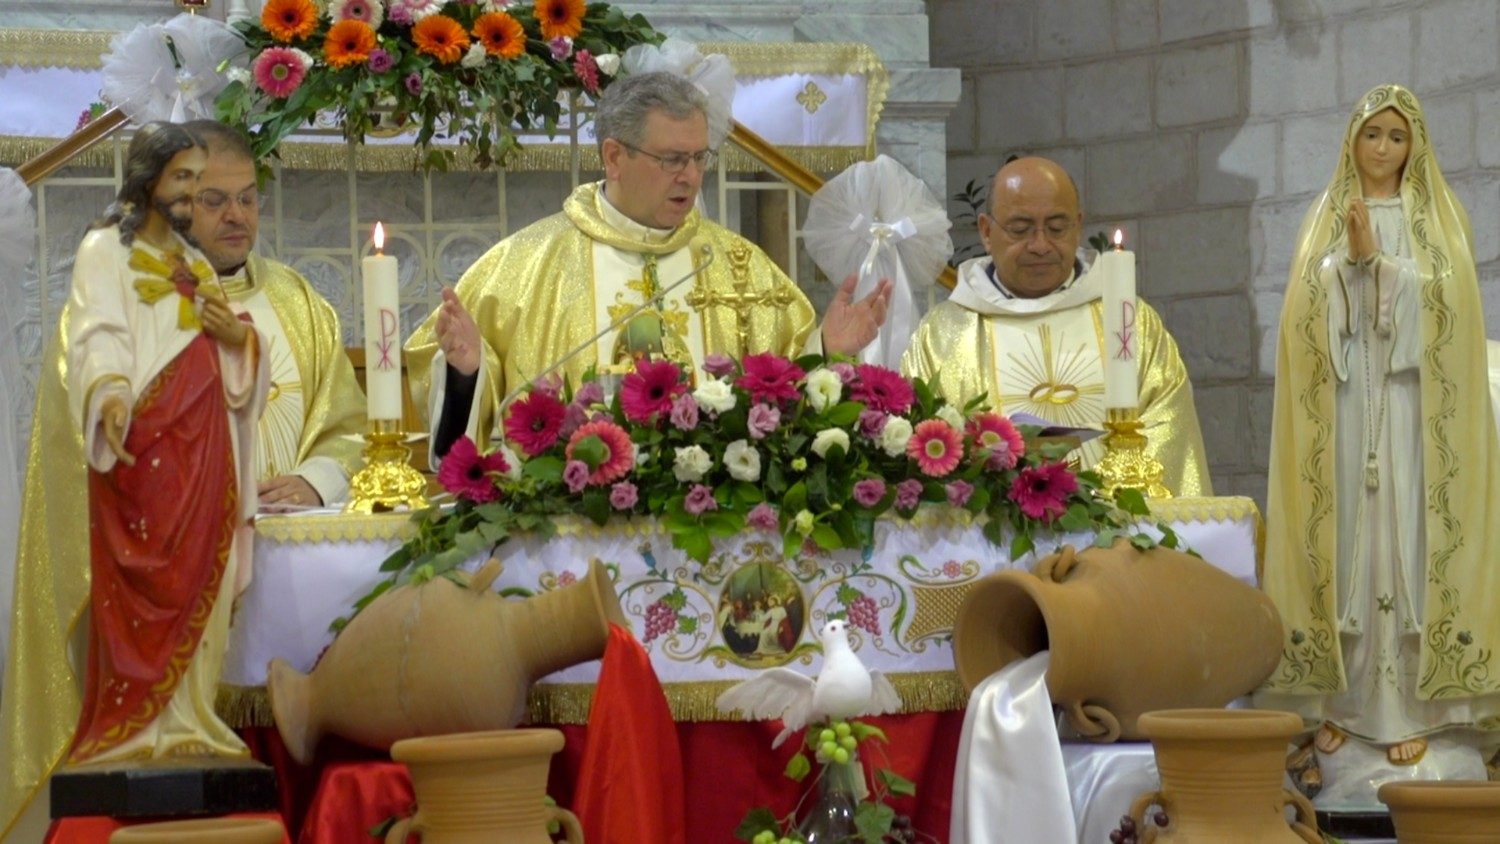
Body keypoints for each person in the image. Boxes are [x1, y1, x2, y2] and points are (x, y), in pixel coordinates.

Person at [406, 71, 892, 460]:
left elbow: (785, 387)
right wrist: (468, 372)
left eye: (700, 157)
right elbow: (463, 430)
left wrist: (826, 348)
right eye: (673, 159)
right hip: (566, 527)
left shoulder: (739, 263)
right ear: (614, 157)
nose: (692, 176)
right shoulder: (525, 264)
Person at [1259, 85, 1500, 779]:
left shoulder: (1440, 220)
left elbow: (1450, 315)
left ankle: (1414, 714)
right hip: (1346, 412)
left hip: (1414, 418)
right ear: (1354, 143)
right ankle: (1345, 706)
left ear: (1414, 145)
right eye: (1374, 136)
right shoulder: (1325, 218)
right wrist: (1349, 266)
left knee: (1407, 546)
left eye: (1397, 137)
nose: (1385, 149)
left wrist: (1383, 268)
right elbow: (1306, 322)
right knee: (1348, 555)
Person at [65, 122, 268, 764]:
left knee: (199, 576)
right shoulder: (105, 251)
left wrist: (238, 342)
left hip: (205, 449)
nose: (191, 193)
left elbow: (233, 345)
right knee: (147, 582)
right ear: (147, 178)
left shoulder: (193, 261)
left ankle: (193, 719)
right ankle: (135, 730)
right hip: (145, 448)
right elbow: (95, 333)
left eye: (196, 180)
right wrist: (111, 394)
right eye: (182, 178)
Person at [901, 157, 1211, 496]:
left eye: (1057, 228)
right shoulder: (944, 334)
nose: (1040, 245)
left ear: (1078, 226)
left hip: (1118, 536)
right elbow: (926, 449)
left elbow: (1169, 429)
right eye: (1020, 229)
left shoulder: (1128, 321)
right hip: (995, 539)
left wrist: (1113, 521)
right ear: (986, 232)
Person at [182, 119, 365, 508]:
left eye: (247, 199)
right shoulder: (134, 306)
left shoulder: (296, 300)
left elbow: (348, 427)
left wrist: (315, 483)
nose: (237, 216)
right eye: (215, 201)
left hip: (295, 555)